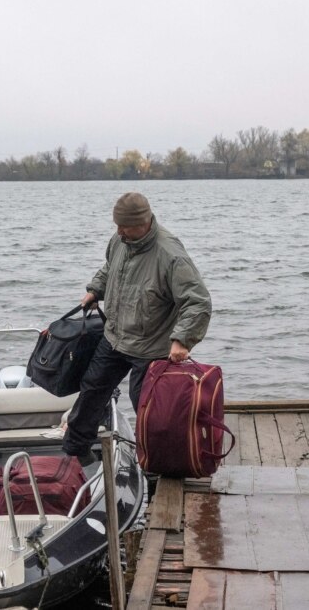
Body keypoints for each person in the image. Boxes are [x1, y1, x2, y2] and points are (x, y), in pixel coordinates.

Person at [62, 192, 211, 466]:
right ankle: (75, 449)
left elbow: (198, 301)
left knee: (148, 410)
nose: (118, 231)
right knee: (92, 388)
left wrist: (182, 339)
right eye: (116, 225)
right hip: (115, 337)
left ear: (142, 223)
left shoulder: (171, 255)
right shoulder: (120, 240)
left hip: (151, 347)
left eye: (124, 226)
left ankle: (154, 467)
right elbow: (110, 269)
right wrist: (96, 289)